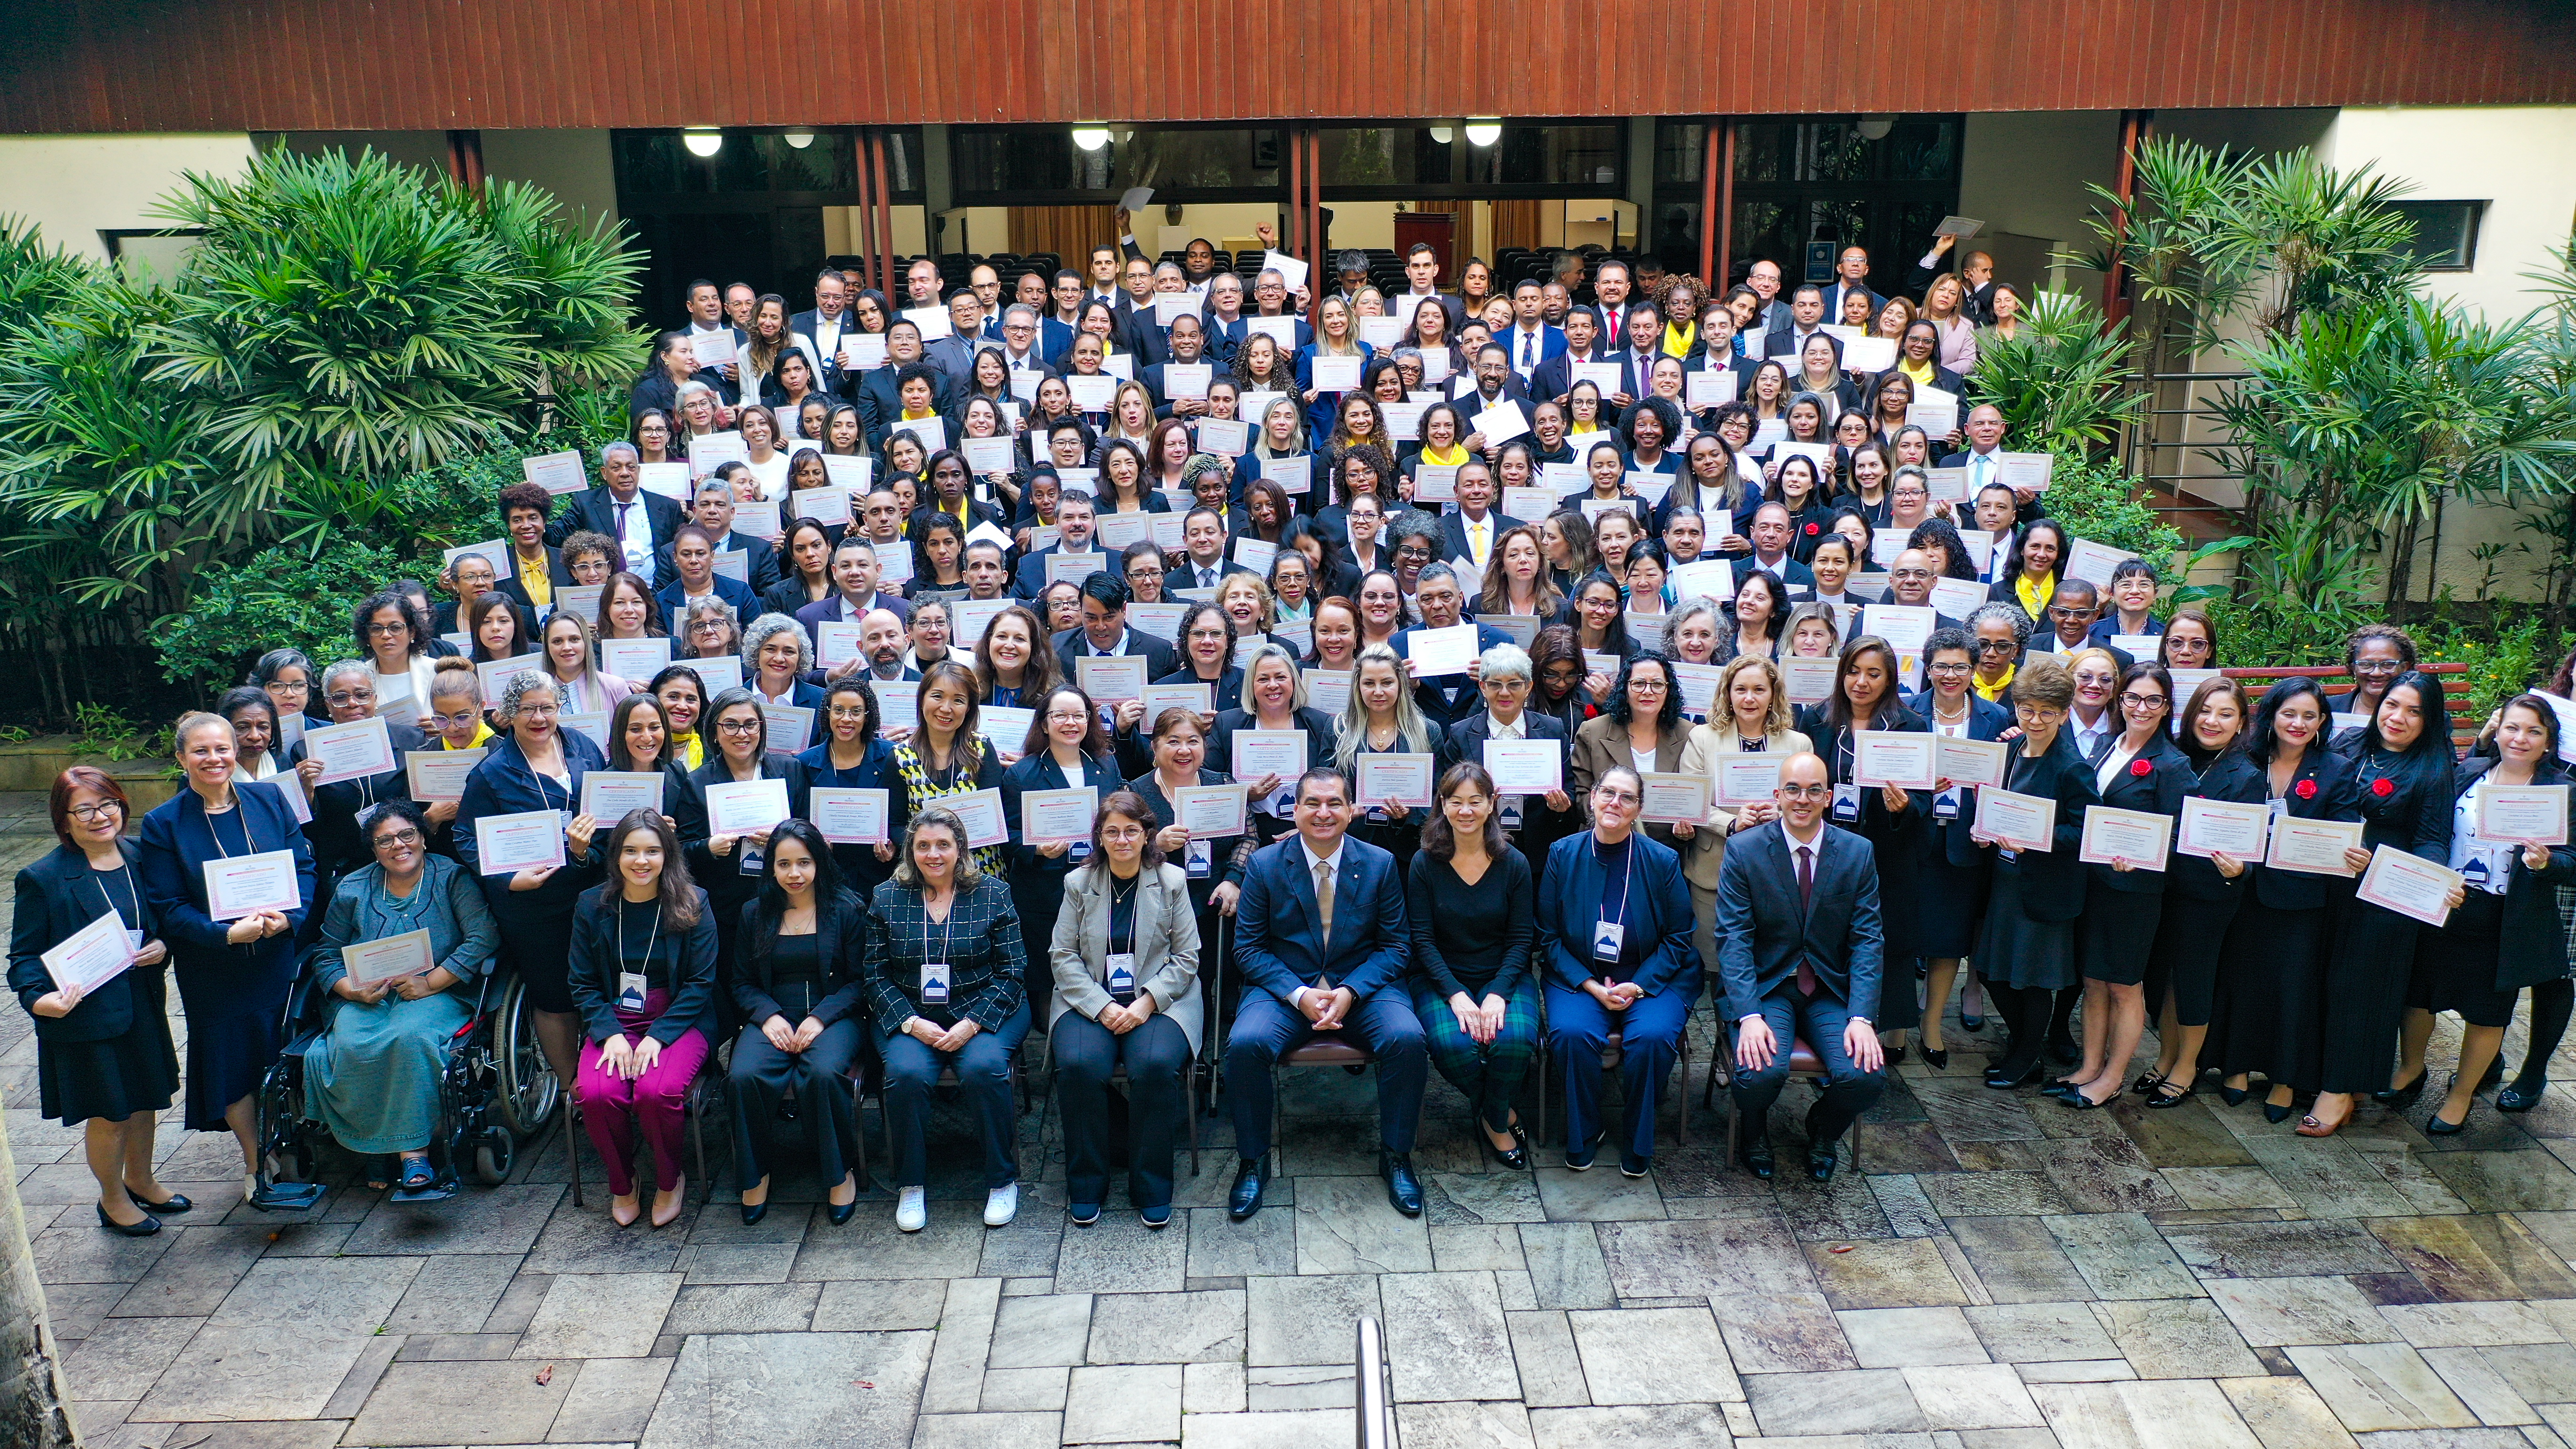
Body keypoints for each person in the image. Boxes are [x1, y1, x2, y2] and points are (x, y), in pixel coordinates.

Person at [136, 714, 325, 1211]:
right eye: (201, 751)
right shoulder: (164, 824)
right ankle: (255, 1159)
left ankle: (295, 1137)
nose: (215, 759)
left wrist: (292, 916)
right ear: (181, 759)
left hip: (273, 955)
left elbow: (303, 864)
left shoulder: (269, 799)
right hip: (214, 969)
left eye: (222, 748)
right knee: (232, 1062)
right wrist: (224, 936)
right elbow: (168, 906)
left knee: (277, 1049)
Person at [1224, 766, 1427, 1219]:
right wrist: (1298, 994)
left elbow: (1397, 946)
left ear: (1353, 811)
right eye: (1312, 803)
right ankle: (1253, 1161)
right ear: (1294, 811)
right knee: (1244, 1045)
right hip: (1286, 989)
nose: (1323, 812)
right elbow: (1249, 949)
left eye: (1335, 802)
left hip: (1363, 987)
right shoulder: (1264, 865)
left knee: (1408, 1040)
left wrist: (1351, 991)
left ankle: (1396, 1155)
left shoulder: (1379, 863)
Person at [2383, 696, 2576, 1135]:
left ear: (2548, 742)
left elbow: (2573, 861)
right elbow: (2432, 829)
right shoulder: (2469, 772)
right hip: (2447, 903)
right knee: (2419, 996)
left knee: (2489, 1011)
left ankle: (2462, 1094)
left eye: (2533, 731)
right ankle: (2412, 1069)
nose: (2520, 738)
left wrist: (2548, 862)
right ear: (2498, 729)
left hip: (2508, 916)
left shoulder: (2561, 791)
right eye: (2512, 727)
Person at [11, 769, 186, 1234]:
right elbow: (24, 956)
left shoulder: (140, 856)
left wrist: (163, 945)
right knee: (110, 1112)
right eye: (84, 809)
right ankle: (112, 1200)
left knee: (147, 1098)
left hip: (140, 1003)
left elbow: (165, 919)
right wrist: (38, 998)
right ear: (63, 820)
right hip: (85, 1015)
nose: (100, 816)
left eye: (107, 803)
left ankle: (142, 1180)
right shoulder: (44, 878)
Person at [302, 799, 498, 1194]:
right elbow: (326, 952)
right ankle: (373, 1139)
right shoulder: (353, 888)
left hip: (437, 991)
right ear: (373, 850)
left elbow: (483, 937)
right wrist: (349, 989)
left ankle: (413, 1154)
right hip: (367, 995)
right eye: (384, 840)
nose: (398, 846)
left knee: (409, 1039)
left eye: (407, 835)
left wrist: (433, 981)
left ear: (423, 838)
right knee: (350, 1043)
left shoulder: (451, 878)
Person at [1715, 750, 1887, 1180]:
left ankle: (1823, 1129)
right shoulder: (1744, 850)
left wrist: (1862, 1016)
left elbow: (1868, 940)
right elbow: (1734, 939)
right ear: (1778, 795)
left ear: (1828, 797)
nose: (1803, 799)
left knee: (1865, 1076)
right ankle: (1753, 1132)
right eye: (1793, 789)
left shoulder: (1856, 853)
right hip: (1768, 988)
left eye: (1814, 790)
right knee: (1758, 1075)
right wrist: (1749, 1014)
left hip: (1829, 989)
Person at [2300, 669, 2454, 1136]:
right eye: (2393, 705)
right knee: (2323, 981)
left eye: (2414, 712)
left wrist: (2423, 879)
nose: (2399, 717)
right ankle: (2332, 1076)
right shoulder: (2348, 747)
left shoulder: (2431, 770)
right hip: (2331, 885)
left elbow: (2432, 841)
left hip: (2387, 894)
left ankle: (2340, 1090)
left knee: (2360, 991)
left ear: (2429, 721)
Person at [864, 807, 1030, 1231]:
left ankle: (1001, 1180)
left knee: (983, 1067)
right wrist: (912, 1023)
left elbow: (1013, 971)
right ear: (910, 851)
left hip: (985, 1006)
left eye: (943, 845)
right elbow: (874, 976)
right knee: (905, 1074)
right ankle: (912, 1185)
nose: (933, 855)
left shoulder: (994, 893)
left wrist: (972, 1024)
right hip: (911, 1013)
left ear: (961, 849)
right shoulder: (886, 897)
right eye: (923, 846)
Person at [2203, 678, 2361, 1121]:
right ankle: (2235, 1067)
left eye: (2309, 716)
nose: (2298, 723)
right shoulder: (2244, 758)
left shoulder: (2335, 768)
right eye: (2289, 713)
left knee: (2293, 989)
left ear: (2322, 722)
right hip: (2243, 889)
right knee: (2241, 978)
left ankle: (2284, 1079)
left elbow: (2345, 824)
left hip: (2302, 899)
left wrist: (2351, 849)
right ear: (2271, 717)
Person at [1048, 790, 1202, 1227]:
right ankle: (1086, 1184)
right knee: (1079, 1065)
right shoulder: (1078, 884)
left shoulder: (1171, 881)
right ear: (1098, 836)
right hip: (1088, 999)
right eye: (1111, 831)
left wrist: (1145, 1003)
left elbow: (1187, 957)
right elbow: (1063, 955)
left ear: (1146, 834)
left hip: (1160, 999)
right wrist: (1101, 1007)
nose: (1121, 840)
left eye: (1130, 831)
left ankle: (1151, 1186)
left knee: (1153, 1065)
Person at [1539, 766, 1699, 1175]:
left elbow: (1680, 937)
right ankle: (1584, 1132)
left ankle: (1637, 1135)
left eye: (1627, 797)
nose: (1615, 803)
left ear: (1639, 809)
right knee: (1572, 1035)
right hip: (1581, 976)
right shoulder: (1563, 853)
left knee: (1651, 1037)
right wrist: (1593, 987)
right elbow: (1549, 937)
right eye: (1608, 793)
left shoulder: (1662, 861)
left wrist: (1639, 985)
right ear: (1592, 798)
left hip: (1651, 977)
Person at [456, 672, 608, 1096]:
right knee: (555, 996)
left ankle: (606, 1080)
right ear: (508, 715)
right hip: (534, 904)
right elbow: (466, 838)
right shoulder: (492, 772)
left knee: (602, 985)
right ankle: (570, 1088)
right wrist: (509, 879)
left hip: (593, 888)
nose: (540, 718)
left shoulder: (583, 747)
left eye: (548, 707)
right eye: (528, 709)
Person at [567, 809, 716, 1229]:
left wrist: (659, 1037)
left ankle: (670, 1179)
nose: (641, 861)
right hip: (614, 1017)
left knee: (656, 1091)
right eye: (630, 851)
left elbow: (701, 984)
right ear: (615, 856)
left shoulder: (694, 902)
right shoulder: (591, 905)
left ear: (668, 855)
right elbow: (581, 981)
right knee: (596, 1094)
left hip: (679, 1018)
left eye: (652, 851)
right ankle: (623, 1179)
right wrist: (609, 1033)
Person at [2053, 664, 2192, 1109]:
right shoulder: (2107, 748)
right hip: (2093, 883)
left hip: (2135, 893)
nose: (2141, 708)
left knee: (2124, 986)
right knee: (2093, 981)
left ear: (2167, 706)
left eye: (2154, 700)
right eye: (2133, 698)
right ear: (2120, 701)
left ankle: (2113, 1077)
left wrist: (2143, 857)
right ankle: (2090, 1067)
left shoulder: (2173, 765)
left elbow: (2179, 836)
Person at [1960, 655, 2099, 1089]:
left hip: (2042, 887)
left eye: (2047, 712)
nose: (2035, 720)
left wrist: (2039, 836)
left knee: (2032, 979)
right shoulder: (2010, 750)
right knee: (1994, 971)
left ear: (2064, 713)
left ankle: (2024, 1056)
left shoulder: (2071, 766)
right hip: (2003, 881)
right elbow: (1992, 803)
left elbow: (2084, 830)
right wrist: (1984, 829)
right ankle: (2025, 1048)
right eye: (2027, 710)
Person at [726, 820, 865, 1225]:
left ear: (819, 862)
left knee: (823, 1074)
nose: (795, 874)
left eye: (804, 863)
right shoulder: (755, 913)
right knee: (743, 1076)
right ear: (771, 867)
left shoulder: (848, 909)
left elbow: (861, 981)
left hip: (835, 1015)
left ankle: (840, 1175)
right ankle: (756, 1175)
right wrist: (766, 1016)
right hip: (772, 1015)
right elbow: (741, 981)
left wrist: (821, 1018)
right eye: (784, 864)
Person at [1409, 762, 1540, 1167]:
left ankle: (1491, 1116)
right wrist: (1457, 996)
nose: (1466, 811)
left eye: (1475, 802)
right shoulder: (1424, 863)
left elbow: (1522, 940)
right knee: (1454, 1047)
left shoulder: (1514, 863)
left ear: (1491, 804)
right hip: (1440, 977)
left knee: (1515, 1042)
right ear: (1443, 806)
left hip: (1505, 974)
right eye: (1456, 802)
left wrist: (1499, 993)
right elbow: (1423, 941)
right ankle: (1498, 1118)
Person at [2140, 677, 2262, 1105]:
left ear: (2241, 722)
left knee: (2193, 980)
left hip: (2209, 894)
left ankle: (2188, 1065)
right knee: (2166, 977)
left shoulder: (2246, 775)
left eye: (2226, 714)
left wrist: (2242, 867)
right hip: (2165, 885)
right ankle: (2166, 1055)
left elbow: (2254, 846)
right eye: (2205, 711)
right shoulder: (2172, 756)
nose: (2212, 721)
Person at [1902, 630, 2009, 1066]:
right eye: (1942, 666)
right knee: (1904, 936)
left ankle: (1930, 1027)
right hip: (1911, 838)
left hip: (1966, 844)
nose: (1951, 675)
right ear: (1928, 669)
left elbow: (2008, 782)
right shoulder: (1904, 712)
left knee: (1949, 940)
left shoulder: (1997, 718)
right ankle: (1895, 1025)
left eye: (1960, 667)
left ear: (1974, 669)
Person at [1001, 684, 1125, 1022]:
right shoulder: (1021, 774)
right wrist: (1037, 848)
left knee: (1094, 965)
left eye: (1079, 715)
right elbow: (1008, 837)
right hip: (1045, 891)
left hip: (1100, 884)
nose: (1071, 723)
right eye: (1060, 716)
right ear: (1044, 724)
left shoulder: (1106, 765)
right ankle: (1052, 1051)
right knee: (1047, 978)